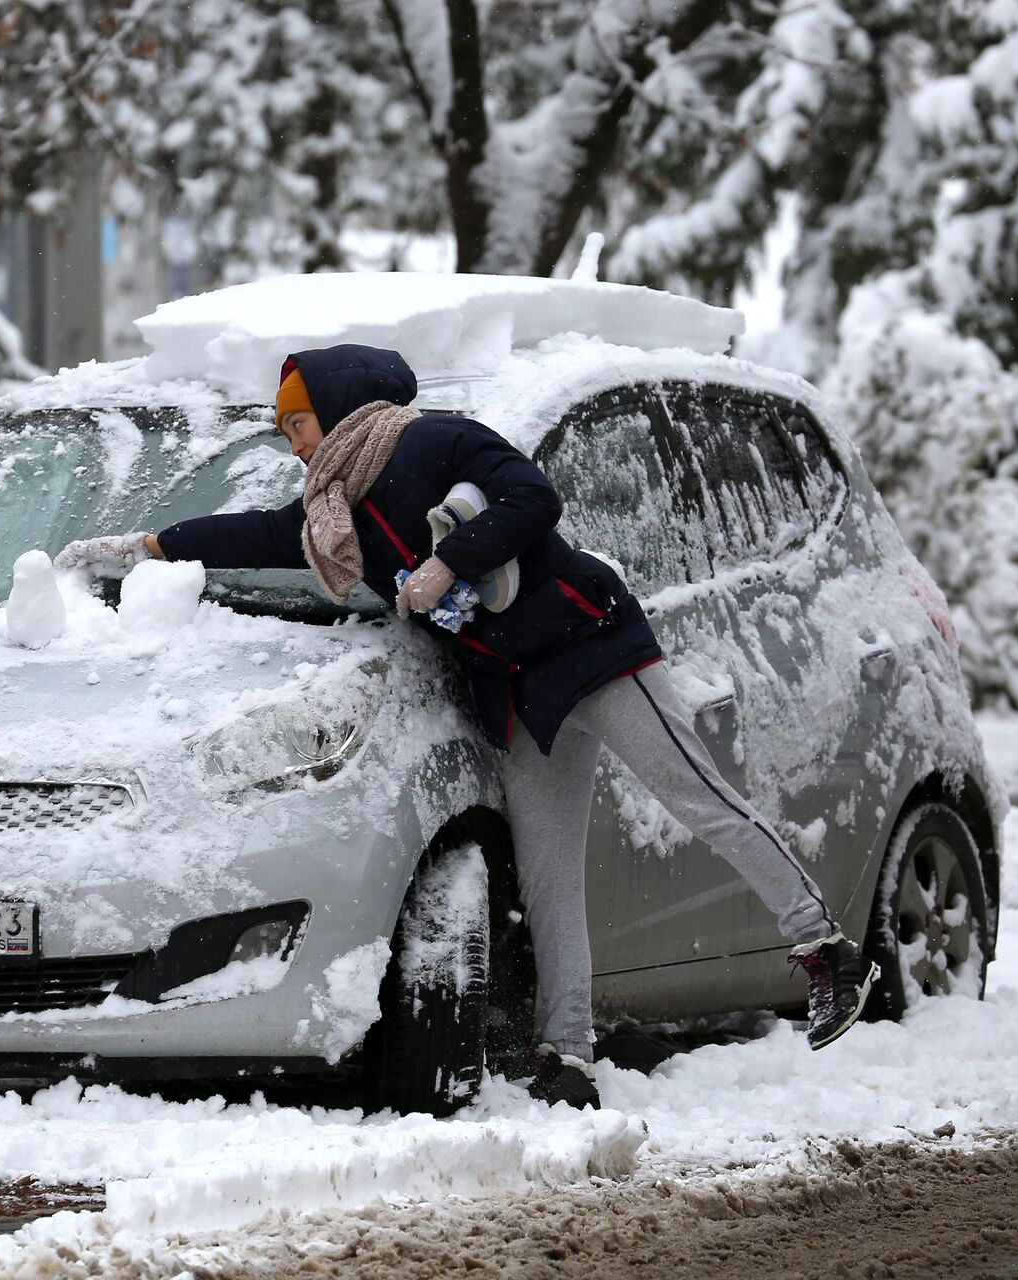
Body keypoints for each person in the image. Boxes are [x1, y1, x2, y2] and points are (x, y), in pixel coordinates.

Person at [55, 344, 877, 1108]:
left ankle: (826, 950)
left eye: (297, 423)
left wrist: (451, 562)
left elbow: (533, 497)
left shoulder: (432, 441)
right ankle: (568, 1057)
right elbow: (258, 535)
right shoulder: (330, 513)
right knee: (550, 877)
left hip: (592, 648)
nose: (292, 443)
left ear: (336, 406)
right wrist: (151, 545)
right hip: (515, 691)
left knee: (698, 799)